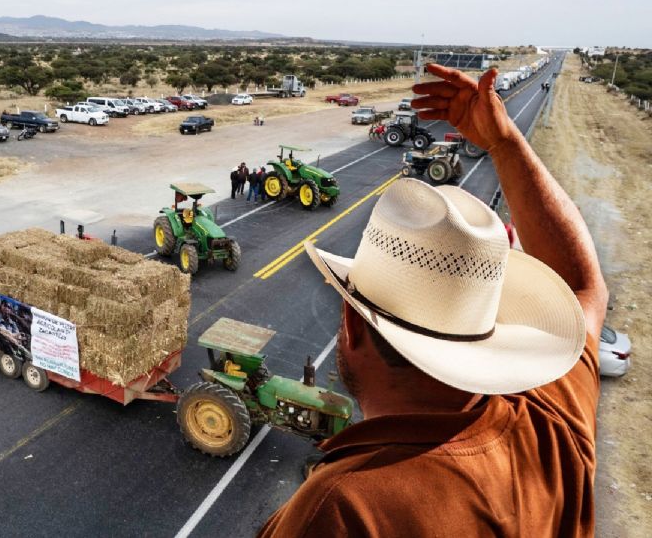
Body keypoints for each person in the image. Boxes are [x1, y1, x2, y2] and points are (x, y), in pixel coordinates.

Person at [260, 63, 607, 537]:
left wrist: (503, 143)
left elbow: (582, 286)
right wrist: (505, 144)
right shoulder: (551, 428)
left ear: (353, 322)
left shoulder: (341, 509)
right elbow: (585, 286)